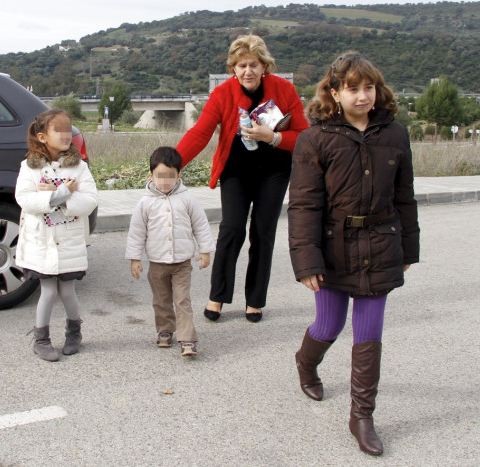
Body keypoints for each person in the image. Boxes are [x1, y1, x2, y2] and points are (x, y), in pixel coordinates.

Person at [287, 51, 420, 455]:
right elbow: (304, 205)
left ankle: (362, 415)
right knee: (328, 325)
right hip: (331, 249)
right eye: (353, 89)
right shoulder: (315, 139)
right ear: (334, 92)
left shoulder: (395, 134)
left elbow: (405, 197)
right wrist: (306, 259)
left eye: (369, 87)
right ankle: (306, 363)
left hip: (381, 243)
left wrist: (408, 248)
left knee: (369, 333)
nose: (363, 96)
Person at [176, 34, 309, 322]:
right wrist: (172, 163)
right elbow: (200, 132)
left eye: (253, 65)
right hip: (236, 170)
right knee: (232, 229)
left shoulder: (284, 90)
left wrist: (272, 137)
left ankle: (255, 300)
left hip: (274, 171)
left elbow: (304, 136)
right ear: (233, 69)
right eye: (241, 66)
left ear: (264, 66)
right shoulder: (222, 94)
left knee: (263, 232)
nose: (247, 71)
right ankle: (217, 296)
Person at [15, 109, 98, 362]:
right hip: (42, 242)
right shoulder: (28, 168)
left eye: (68, 129)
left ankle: (74, 333)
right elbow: (25, 200)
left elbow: (91, 199)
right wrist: (62, 193)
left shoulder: (79, 167)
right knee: (48, 291)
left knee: (67, 292)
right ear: (42, 136)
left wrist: (56, 196)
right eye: (58, 130)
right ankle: (41, 339)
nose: (65, 135)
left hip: (69, 241)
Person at [125, 147, 215, 357]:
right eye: (160, 176)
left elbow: (200, 225)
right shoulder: (145, 203)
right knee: (161, 300)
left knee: (182, 300)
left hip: (182, 263)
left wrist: (206, 251)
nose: (165, 182)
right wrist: (134, 259)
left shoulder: (187, 199)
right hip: (157, 264)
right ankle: (165, 330)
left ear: (179, 175)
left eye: (170, 176)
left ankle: (188, 339)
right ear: (151, 175)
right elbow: (137, 232)